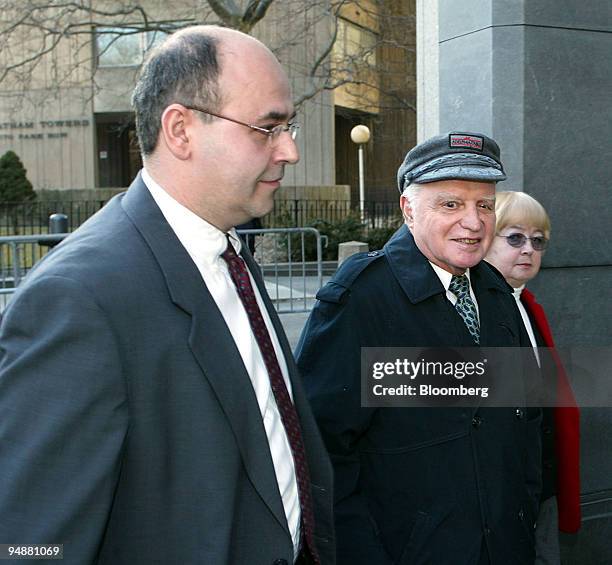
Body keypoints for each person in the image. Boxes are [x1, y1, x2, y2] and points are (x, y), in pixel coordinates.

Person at [0, 26, 334, 565]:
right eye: (266, 128)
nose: (290, 150)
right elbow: (31, 542)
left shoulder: (227, 248)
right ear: (180, 130)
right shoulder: (77, 298)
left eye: (288, 126)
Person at [296, 132, 542, 565]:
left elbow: (524, 422)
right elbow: (322, 453)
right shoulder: (362, 300)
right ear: (408, 209)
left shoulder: (495, 291)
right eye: (451, 204)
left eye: (484, 205)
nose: (473, 222)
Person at [485, 191, 580, 564]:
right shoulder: (477, 311)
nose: (528, 249)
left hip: (541, 485)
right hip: (504, 496)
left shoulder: (527, 304)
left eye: (537, 241)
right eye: (514, 237)